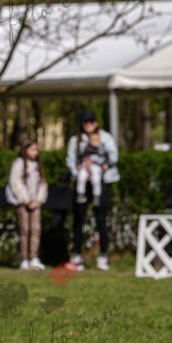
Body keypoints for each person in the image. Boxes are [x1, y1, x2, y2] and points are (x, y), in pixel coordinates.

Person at [66, 109, 119, 272]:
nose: (89, 124)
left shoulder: (105, 138)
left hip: (102, 181)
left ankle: (103, 256)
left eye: (91, 121)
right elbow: (71, 160)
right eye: (86, 122)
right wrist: (80, 170)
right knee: (78, 220)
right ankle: (77, 256)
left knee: (101, 219)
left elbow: (114, 156)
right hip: (83, 182)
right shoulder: (75, 140)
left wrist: (102, 166)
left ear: (96, 123)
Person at [6, 140, 48, 271]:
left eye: (37, 149)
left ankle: (34, 257)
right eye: (32, 149)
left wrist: (38, 200)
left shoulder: (37, 165)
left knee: (36, 229)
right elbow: (15, 183)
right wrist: (26, 200)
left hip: (36, 202)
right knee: (25, 230)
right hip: (22, 202)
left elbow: (43, 183)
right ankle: (24, 258)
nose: (35, 152)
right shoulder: (18, 164)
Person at [75, 130, 104, 204]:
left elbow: (104, 158)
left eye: (96, 140)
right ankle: (81, 194)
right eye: (92, 140)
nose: (94, 142)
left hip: (95, 166)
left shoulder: (100, 149)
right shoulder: (86, 148)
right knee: (81, 176)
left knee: (96, 179)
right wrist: (79, 164)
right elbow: (80, 157)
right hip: (85, 166)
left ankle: (96, 196)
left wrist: (105, 163)